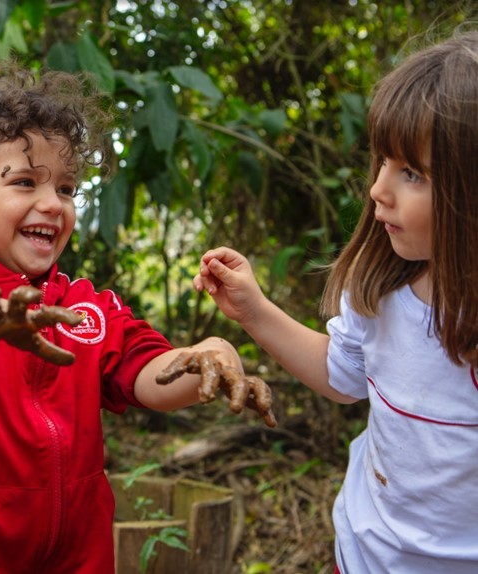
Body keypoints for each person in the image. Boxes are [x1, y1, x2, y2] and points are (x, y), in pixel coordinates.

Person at [0, 65, 275, 573]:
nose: (53, 204)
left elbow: (148, 375)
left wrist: (206, 355)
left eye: (68, 189)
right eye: (25, 182)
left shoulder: (85, 305)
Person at [194, 31, 478, 574]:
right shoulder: (382, 289)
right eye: (383, 164)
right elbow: (342, 374)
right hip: (364, 553)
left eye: (412, 173)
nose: (377, 189)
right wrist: (254, 310)